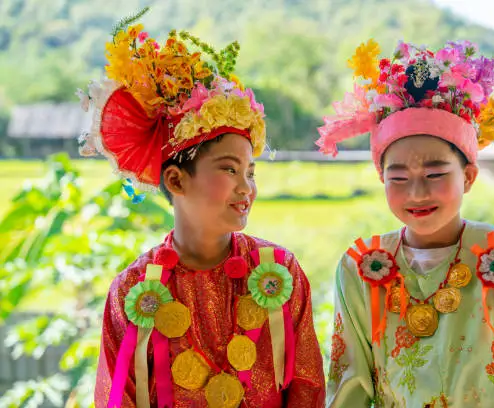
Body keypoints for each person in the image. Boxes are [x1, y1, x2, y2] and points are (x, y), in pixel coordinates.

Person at [316, 38, 494, 407]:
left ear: (469, 177)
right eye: (398, 178)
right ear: (381, 179)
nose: (416, 192)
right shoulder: (361, 267)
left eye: (435, 173)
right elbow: (349, 388)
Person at [78, 17, 325, 408]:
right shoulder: (132, 290)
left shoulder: (280, 271)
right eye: (229, 169)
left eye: (250, 172)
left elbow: (307, 388)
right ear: (176, 181)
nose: (246, 187)